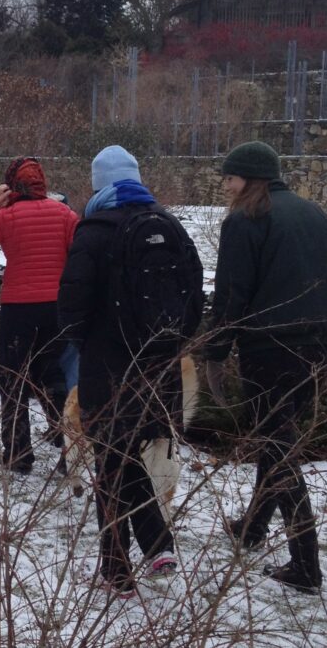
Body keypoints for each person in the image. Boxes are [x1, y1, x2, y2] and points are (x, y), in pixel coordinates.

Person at [59, 145, 204, 597]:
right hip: (160, 366)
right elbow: (196, 299)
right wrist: (170, 344)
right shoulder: (171, 227)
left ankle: (149, 550)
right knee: (120, 460)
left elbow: (71, 309)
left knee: (113, 460)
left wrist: (83, 344)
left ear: (99, 182)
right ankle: (117, 568)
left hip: (109, 367)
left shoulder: (94, 229)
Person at [203, 141, 327, 594]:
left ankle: (305, 565)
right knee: (275, 435)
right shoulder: (313, 214)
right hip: (318, 342)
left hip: (271, 346)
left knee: (278, 449)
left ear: (250, 179)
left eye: (230, 178)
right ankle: (254, 526)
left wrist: (215, 352)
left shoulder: (246, 220)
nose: (226, 186)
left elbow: (231, 296)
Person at [0, 157, 78, 474]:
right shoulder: (65, 214)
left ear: (12, 186)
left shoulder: (7, 217)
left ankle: (18, 452)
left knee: (14, 380)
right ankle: (67, 445)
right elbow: (80, 254)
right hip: (56, 307)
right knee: (53, 375)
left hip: (18, 308)